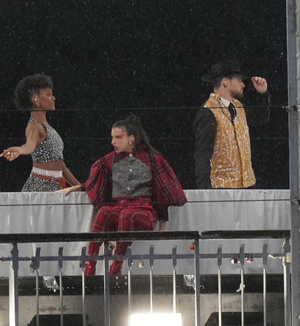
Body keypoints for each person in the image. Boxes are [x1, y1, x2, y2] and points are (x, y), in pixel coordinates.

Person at [63, 115, 186, 276]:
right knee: (105, 212)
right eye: (112, 137)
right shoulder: (109, 161)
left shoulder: (152, 160)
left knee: (127, 215)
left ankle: (116, 266)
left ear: (131, 138)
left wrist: (163, 223)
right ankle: (89, 266)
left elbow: (162, 193)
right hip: (120, 207)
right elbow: (95, 182)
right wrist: (79, 187)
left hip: (144, 210)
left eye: (118, 137)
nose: (113, 142)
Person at [193, 60, 271, 189]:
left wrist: (262, 94)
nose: (243, 84)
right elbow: (202, 154)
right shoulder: (208, 112)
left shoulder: (238, 107)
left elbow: (261, 118)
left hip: (246, 186)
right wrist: (206, 192)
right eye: (239, 80)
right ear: (225, 82)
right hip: (222, 189)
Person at [2, 74, 80, 192]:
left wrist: (80, 187)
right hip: (39, 188)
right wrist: (20, 150)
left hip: (56, 186)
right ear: (36, 99)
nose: (53, 98)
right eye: (48, 95)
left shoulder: (47, 126)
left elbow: (61, 165)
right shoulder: (34, 126)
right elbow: (29, 145)